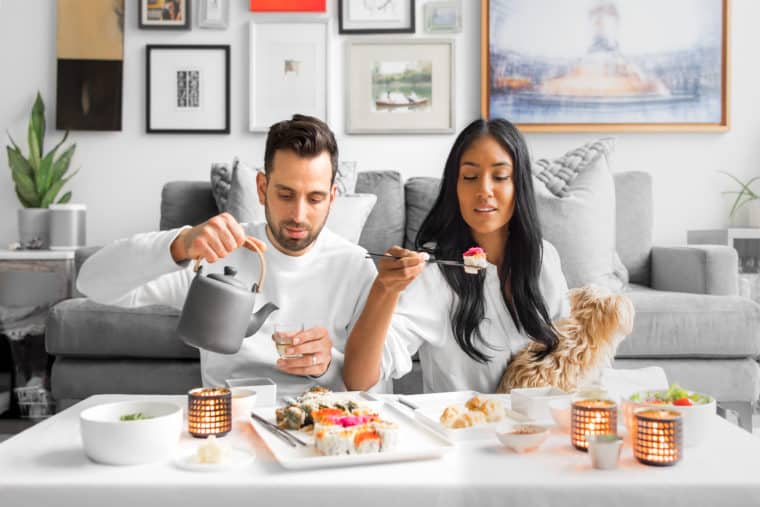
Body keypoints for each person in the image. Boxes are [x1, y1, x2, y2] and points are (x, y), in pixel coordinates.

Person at [78, 115, 381, 394]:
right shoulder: (216, 251)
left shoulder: (356, 267)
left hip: (326, 425)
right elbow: (91, 283)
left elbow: (375, 388)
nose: (298, 215)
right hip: (229, 421)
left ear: (332, 198)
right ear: (262, 188)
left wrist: (328, 366)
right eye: (285, 195)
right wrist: (179, 243)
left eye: (315, 199)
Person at [343, 118, 570, 393]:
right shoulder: (434, 274)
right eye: (470, 177)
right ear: (455, 188)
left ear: (519, 185)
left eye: (500, 177)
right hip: (460, 432)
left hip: (536, 431)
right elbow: (359, 379)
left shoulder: (544, 259)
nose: (484, 190)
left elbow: (568, 356)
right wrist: (384, 289)